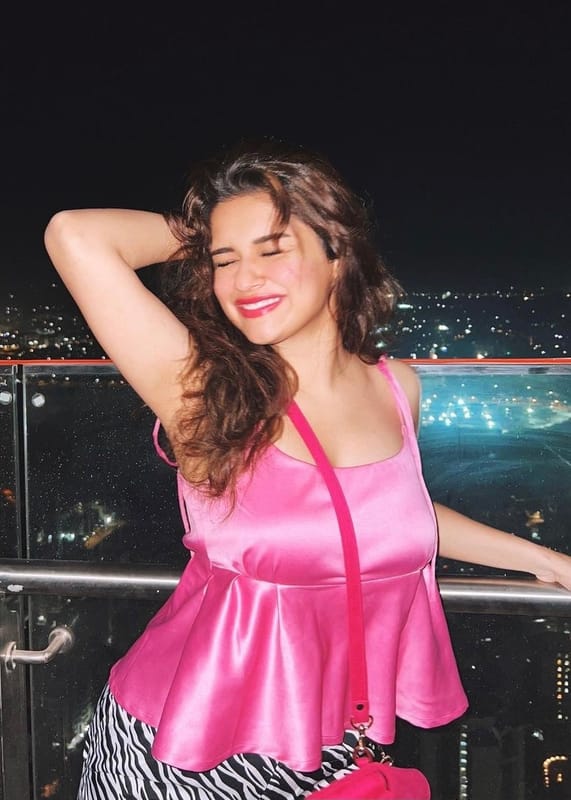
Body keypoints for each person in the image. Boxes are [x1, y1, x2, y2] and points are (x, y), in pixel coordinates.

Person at [44, 139, 571, 800]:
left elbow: (384, 514)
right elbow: (75, 235)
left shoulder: (395, 388)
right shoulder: (206, 393)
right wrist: (214, 227)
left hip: (327, 741)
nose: (244, 279)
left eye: (273, 250)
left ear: (336, 252)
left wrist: (545, 561)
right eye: (224, 260)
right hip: (181, 745)